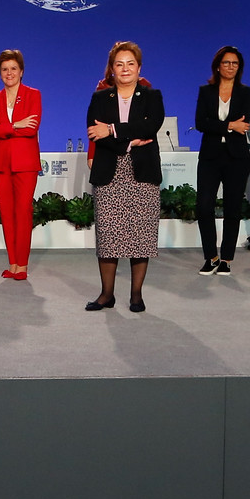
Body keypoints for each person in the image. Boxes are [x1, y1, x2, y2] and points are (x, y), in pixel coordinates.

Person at [85, 41, 164, 313]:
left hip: (143, 173)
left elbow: (151, 126)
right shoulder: (99, 98)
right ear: (112, 69)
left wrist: (114, 131)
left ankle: (136, 295)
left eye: (130, 63)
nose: (125, 68)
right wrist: (130, 141)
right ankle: (107, 295)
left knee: (140, 234)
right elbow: (96, 133)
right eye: (119, 64)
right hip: (110, 172)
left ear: (139, 68)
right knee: (109, 236)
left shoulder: (152, 97)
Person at [192, 46, 250, 274]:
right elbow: (200, 123)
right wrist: (229, 126)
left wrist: (220, 127)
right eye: (226, 63)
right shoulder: (206, 91)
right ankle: (211, 256)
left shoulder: (246, 93)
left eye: (234, 64)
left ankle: (227, 258)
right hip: (210, 157)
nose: (230, 67)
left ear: (239, 68)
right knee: (204, 206)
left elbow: (243, 125)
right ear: (218, 66)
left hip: (237, 158)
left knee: (232, 208)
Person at [0, 50, 41, 281]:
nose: (9, 73)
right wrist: (15, 125)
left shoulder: (33, 95)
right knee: (6, 213)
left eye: (13, 69)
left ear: (21, 72)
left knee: (23, 212)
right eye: (5, 69)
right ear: (0, 73)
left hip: (25, 162)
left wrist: (3, 127)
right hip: (0, 163)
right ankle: (13, 263)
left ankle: (23, 265)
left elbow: (31, 128)